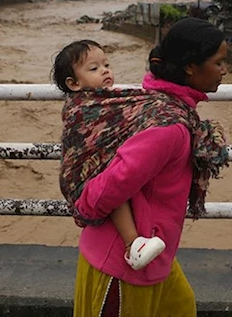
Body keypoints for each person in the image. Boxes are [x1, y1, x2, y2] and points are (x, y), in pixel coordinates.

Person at [64, 18, 230, 316]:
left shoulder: (160, 104)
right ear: (191, 66)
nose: (225, 70)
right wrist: (85, 210)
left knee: (182, 307)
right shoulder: (169, 127)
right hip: (122, 266)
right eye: (218, 62)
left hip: (154, 253)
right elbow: (105, 189)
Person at [52, 40, 166, 270]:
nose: (105, 70)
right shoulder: (82, 107)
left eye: (106, 64)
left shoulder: (114, 100)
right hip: (87, 174)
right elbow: (86, 143)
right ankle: (132, 245)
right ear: (74, 84)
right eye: (94, 69)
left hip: (105, 168)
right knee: (113, 189)